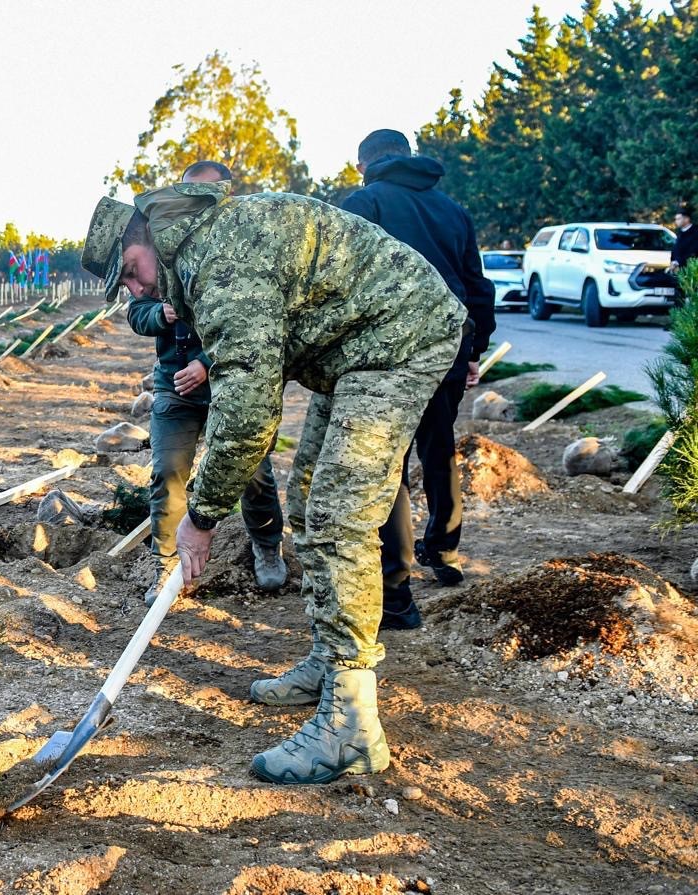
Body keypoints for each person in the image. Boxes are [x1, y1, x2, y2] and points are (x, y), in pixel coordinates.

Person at [83, 179, 464, 786]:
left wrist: (201, 515)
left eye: (129, 272)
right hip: (356, 346)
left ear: (147, 237)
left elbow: (248, 416)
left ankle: (352, 727)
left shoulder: (223, 260)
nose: (135, 290)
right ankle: (327, 661)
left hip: (397, 339)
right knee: (310, 496)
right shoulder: (199, 253)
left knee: (340, 517)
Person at [341, 129, 494, 629]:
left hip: (393, 350)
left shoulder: (364, 203)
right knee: (438, 445)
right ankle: (445, 550)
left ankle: (396, 591)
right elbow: (476, 284)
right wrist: (474, 347)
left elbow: (343, 281)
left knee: (389, 461)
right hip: (451, 342)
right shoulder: (452, 209)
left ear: (364, 163)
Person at [127, 159, 285, 604]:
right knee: (168, 474)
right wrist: (162, 312)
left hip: (229, 385)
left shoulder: (239, 251)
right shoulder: (159, 250)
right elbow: (135, 311)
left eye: (205, 198)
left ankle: (267, 548)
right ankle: (166, 567)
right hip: (173, 386)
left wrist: (206, 362)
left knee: (253, 471)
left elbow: (257, 329)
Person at [671, 205, 698, 273]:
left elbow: (693, 251)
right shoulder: (680, 233)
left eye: (678, 219)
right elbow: (675, 250)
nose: (676, 221)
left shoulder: (695, 232)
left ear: (686, 219)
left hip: (691, 271)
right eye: (676, 219)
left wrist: (678, 263)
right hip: (678, 270)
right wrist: (674, 262)